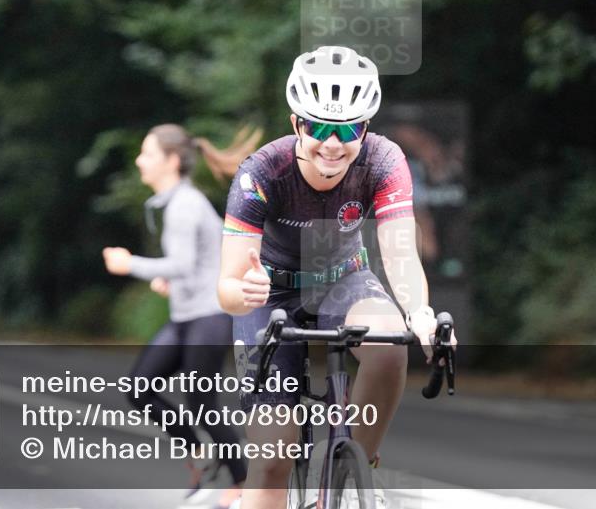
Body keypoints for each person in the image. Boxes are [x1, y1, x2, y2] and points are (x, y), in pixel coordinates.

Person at [217, 46, 442, 509]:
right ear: (296, 123)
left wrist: (419, 312)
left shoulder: (383, 160)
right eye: (318, 126)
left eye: (348, 128)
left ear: (366, 127)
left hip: (344, 278)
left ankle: (358, 467)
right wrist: (243, 293)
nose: (333, 143)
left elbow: (400, 254)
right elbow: (227, 287)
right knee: (271, 464)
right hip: (271, 292)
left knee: (388, 342)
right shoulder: (260, 174)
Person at [103, 123, 259, 509]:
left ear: (171, 161)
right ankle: (201, 456)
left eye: (147, 153)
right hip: (188, 315)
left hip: (209, 315)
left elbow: (185, 262)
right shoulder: (177, 203)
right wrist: (166, 276)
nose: (140, 160)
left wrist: (130, 264)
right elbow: (191, 263)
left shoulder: (185, 205)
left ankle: (244, 483)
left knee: (202, 405)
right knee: (141, 388)